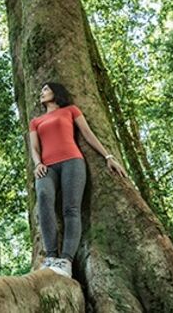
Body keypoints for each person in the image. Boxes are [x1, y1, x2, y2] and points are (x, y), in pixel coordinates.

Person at [28, 82, 128, 277]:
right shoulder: (36, 121)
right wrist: (38, 163)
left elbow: (88, 134)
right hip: (47, 167)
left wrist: (108, 157)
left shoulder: (70, 110)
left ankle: (66, 261)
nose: (42, 93)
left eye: (46, 90)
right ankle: (51, 256)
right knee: (43, 199)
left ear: (56, 92)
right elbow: (34, 147)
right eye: (41, 91)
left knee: (71, 209)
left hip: (72, 162)